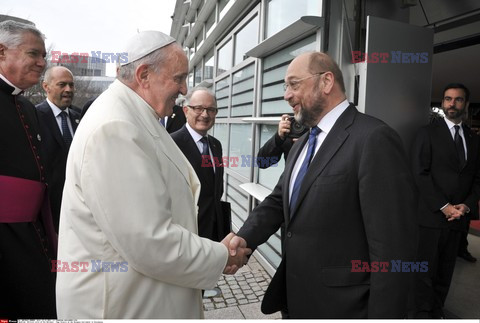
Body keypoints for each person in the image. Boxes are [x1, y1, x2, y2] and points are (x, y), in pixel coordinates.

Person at [56, 31, 250, 319]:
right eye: (179, 78)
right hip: (123, 306)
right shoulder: (114, 127)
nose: (184, 89)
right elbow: (150, 241)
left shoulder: (134, 114)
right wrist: (220, 256)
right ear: (144, 74)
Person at [229, 51, 418, 318]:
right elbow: (278, 200)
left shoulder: (374, 139)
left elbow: (392, 247)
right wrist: (244, 238)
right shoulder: (303, 142)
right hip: (296, 300)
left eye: (294, 84)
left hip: (344, 307)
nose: (286, 95)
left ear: (326, 82)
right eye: (286, 86)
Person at [0, 20, 57, 318]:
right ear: (1, 52)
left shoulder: (27, 108)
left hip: (33, 231)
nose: (42, 63)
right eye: (34, 54)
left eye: (44, 56)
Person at [411, 83, 480, 318]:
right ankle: (420, 314)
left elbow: (477, 178)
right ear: (442, 103)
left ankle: (437, 310)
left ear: (466, 105)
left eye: (458, 99)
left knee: (446, 271)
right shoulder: (427, 133)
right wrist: (444, 206)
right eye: (448, 99)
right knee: (424, 271)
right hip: (431, 217)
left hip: (458, 220)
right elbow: (419, 173)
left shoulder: (473, 138)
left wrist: (466, 205)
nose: (452, 103)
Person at [171, 87, 230, 242]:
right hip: (188, 234)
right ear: (185, 111)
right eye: (198, 108)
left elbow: (216, 188)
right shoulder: (171, 143)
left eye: (210, 109)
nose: (205, 114)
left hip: (215, 232)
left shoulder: (216, 145)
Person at [36, 66, 81, 232]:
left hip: (78, 202)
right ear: (46, 86)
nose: (69, 90)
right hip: (49, 206)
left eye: (71, 85)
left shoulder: (79, 116)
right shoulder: (35, 117)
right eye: (62, 85)